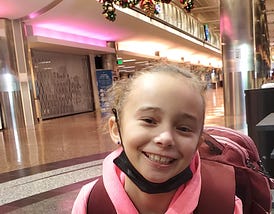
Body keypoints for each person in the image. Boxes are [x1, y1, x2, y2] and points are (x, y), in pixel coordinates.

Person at [72, 63, 243, 214]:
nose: (165, 138)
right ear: (116, 128)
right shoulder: (92, 203)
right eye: (149, 120)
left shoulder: (220, 205)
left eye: (184, 128)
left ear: (198, 142)